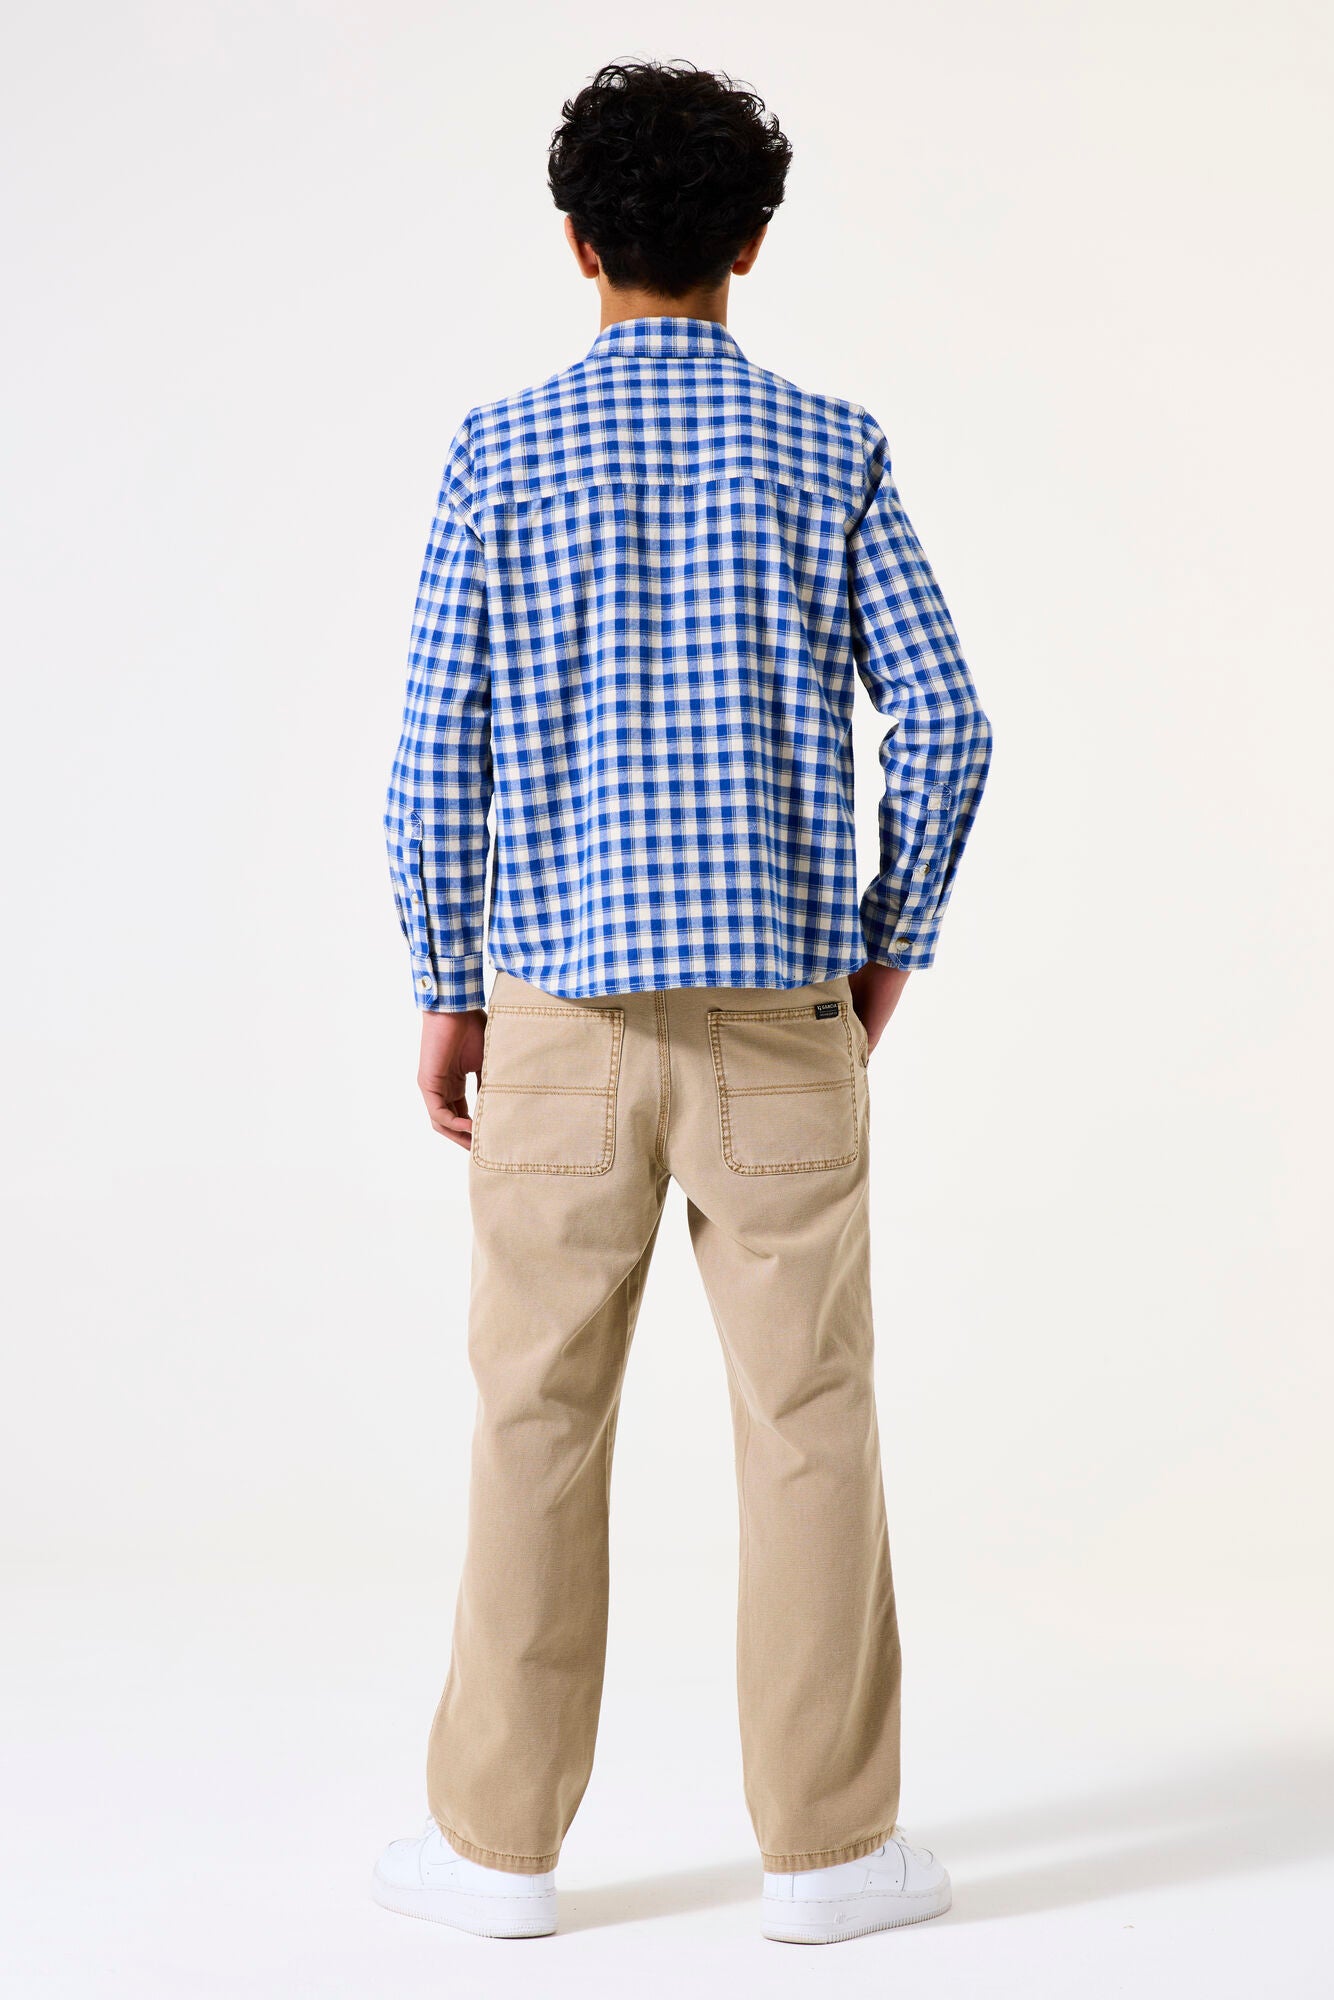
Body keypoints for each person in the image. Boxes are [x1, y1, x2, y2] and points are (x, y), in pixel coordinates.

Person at [373, 58, 991, 1946]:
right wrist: (883, 950)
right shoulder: (830, 448)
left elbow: (433, 758)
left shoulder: (498, 452)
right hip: (783, 1024)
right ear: (752, 243)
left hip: (556, 1025)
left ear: (577, 243)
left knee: (532, 1419)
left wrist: (447, 987)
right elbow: (949, 726)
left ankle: (496, 1860)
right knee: (810, 1420)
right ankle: (830, 1859)